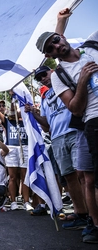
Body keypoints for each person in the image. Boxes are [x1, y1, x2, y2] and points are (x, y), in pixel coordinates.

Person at [37, 23, 98, 243]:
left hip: (80, 131)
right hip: (84, 124)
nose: (57, 46)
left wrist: (61, 20)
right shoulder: (57, 78)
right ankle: (88, 218)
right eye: (51, 48)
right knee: (83, 176)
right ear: (49, 55)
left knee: (87, 176)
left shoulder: (91, 47)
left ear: (62, 37)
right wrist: (82, 80)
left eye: (56, 40)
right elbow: (71, 109)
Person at [25, 66, 89, 220]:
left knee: (83, 173)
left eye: (44, 75)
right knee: (68, 176)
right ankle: (80, 213)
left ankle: (92, 215)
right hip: (57, 138)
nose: (43, 79)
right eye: (39, 78)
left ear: (52, 72)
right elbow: (46, 126)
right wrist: (34, 113)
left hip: (75, 131)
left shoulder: (67, 82)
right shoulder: (45, 96)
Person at [0, 93, 31, 211]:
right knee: (12, 177)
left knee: (25, 176)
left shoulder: (26, 119)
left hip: (25, 147)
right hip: (11, 148)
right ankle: (13, 202)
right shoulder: (6, 120)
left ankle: (26, 201)